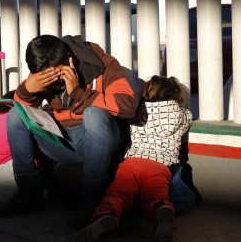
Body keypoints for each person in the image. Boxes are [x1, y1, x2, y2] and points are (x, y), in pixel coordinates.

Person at [0, 35, 137, 223]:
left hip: (101, 138)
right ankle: (29, 193)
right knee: (16, 115)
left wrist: (79, 94)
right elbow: (24, 111)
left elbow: (127, 105)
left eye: (58, 77)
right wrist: (26, 90)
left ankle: (90, 203)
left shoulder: (102, 63)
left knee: (93, 114)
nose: (55, 85)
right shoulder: (46, 65)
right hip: (66, 139)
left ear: (70, 60)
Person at [77, 76, 192, 242]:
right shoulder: (184, 116)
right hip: (160, 167)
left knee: (117, 195)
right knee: (155, 196)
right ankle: (161, 210)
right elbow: (182, 148)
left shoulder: (136, 111)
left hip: (131, 163)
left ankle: (106, 215)